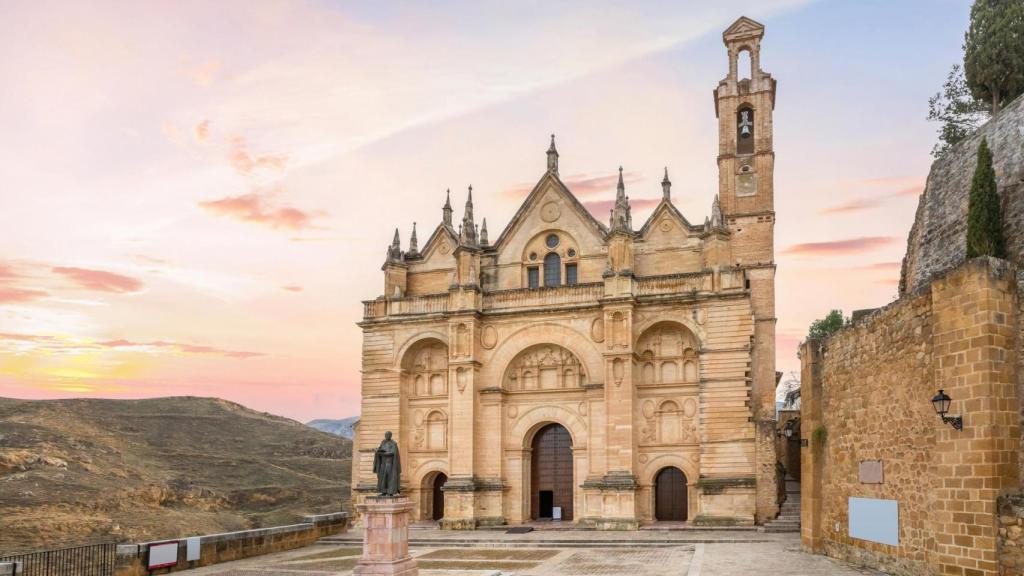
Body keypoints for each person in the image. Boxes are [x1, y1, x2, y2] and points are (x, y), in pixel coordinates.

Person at [373, 431, 401, 496]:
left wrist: (382, 453)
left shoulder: (393, 443)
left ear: (391, 435)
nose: (387, 436)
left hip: (390, 463)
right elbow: (380, 449)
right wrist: (377, 451)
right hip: (383, 463)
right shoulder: (383, 442)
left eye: (388, 435)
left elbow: (392, 453)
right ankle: (383, 491)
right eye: (386, 435)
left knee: (389, 477)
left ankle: (390, 492)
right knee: (382, 477)